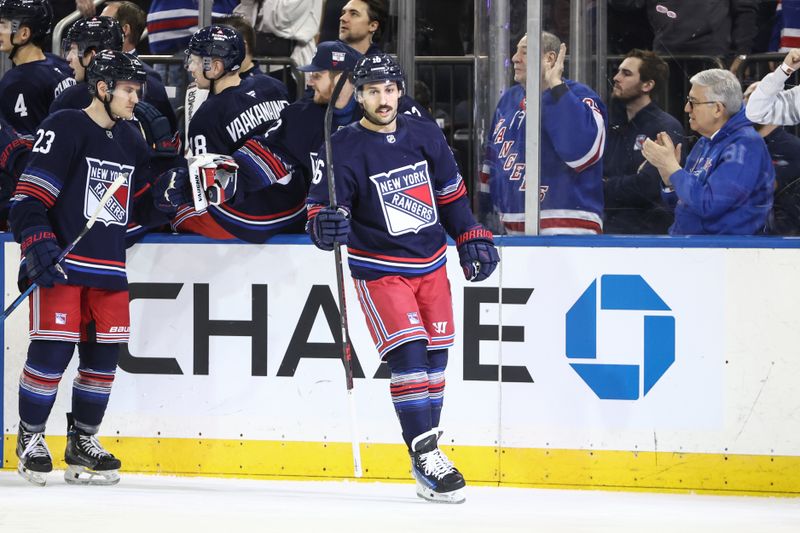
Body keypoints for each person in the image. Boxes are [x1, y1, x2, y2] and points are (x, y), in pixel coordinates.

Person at [305, 54, 500, 504]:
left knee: (436, 362)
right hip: (380, 270)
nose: (383, 99)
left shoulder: (424, 132)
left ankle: (422, 452)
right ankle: (429, 452)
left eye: (390, 89)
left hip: (431, 263)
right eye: (372, 91)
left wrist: (470, 232)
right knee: (409, 357)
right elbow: (319, 209)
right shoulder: (341, 146)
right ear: (358, 94)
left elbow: (451, 195)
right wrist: (324, 225)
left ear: (400, 89)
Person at [9, 50, 183, 486]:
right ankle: (30, 438)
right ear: (103, 88)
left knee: (103, 361)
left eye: (137, 89)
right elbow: (28, 198)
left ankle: (82, 439)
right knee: (51, 355)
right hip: (64, 266)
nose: (135, 97)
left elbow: (141, 207)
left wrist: (171, 187)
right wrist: (38, 243)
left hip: (108, 268)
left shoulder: (131, 140)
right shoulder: (65, 127)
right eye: (127, 89)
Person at [171, 24, 299, 241]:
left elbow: (210, 191)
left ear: (216, 66)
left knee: (173, 211)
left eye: (194, 60)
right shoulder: (273, 86)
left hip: (253, 219)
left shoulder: (206, 117)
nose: (190, 67)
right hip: (296, 207)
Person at [479, 32, 606, 235]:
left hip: (570, 227)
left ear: (550, 59)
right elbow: (491, 165)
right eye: (516, 51)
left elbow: (581, 153)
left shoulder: (581, 96)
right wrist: (487, 219)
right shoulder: (508, 100)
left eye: (525, 52)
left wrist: (555, 86)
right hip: (511, 227)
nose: (514, 58)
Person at [642, 68, 774, 235]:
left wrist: (673, 168)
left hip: (724, 254)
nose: (686, 108)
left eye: (693, 102)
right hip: (692, 248)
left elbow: (709, 205)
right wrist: (669, 178)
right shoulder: (705, 141)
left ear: (718, 109)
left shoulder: (745, 145)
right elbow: (683, 206)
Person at [604, 49, 684, 234]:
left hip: (647, 236)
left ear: (647, 85)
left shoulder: (665, 127)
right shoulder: (610, 123)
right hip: (607, 230)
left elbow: (647, 186)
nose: (616, 77)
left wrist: (605, 184)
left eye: (626, 73)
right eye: (618, 71)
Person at [0, 0, 75, 135]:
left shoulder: (16, 83)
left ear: (24, 33)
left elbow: (25, 144)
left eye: (3, 24)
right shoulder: (59, 63)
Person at [100, 1, 177, 130]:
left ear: (125, 30)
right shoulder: (88, 67)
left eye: (104, 24)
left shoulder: (148, 80)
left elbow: (164, 129)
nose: (97, 30)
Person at [743, 81, 800, 235]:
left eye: (755, 97)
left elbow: (761, 188)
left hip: (781, 238)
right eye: (746, 98)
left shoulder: (792, 148)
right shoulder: (738, 145)